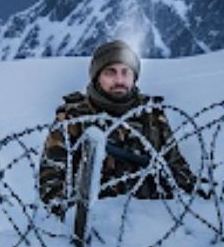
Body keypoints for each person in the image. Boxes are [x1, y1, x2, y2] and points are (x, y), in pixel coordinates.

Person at [38, 39, 199, 212]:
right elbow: (51, 183)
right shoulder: (73, 117)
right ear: (97, 77)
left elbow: (177, 168)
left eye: (126, 72)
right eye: (110, 72)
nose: (119, 80)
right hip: (97, 223)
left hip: (153, 219)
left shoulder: (151, 114)